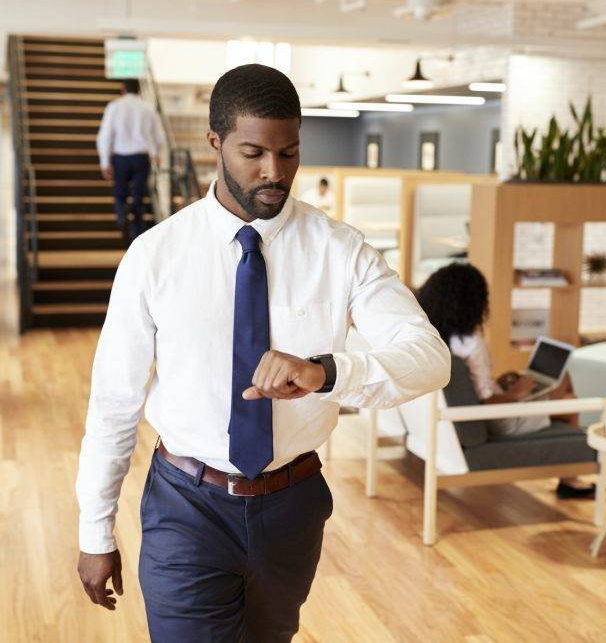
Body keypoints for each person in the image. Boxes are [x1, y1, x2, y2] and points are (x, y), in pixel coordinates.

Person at [75, 64, 450, 640]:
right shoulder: (155, 256)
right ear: (215, 144)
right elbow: (114, 403)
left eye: (290, 153)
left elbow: (429, 357)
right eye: (254, 153)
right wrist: (95, 532)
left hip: (292, 507)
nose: (275, 172)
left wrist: (327, 372)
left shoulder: (339, 250)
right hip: (186, 506)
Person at [415, 262, 595, 499]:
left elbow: (478, 390)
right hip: (501, 420)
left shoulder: (437, 338)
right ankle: (570, 481)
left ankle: (569, 478)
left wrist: (498, 382)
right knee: (568, 393)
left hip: (480, 415)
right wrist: (515, 394)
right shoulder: (472, 343)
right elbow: (488, 404)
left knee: (557, 390)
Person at [96, 78, 166, 245]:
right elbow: (159, 135)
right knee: (138, 194)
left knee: (120, 192)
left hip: (121, 157)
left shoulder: (114, 107)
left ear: (123, 89)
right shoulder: (148, 108)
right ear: (139, 90)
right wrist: (156, 153)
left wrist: (104, 162)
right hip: (141, 157)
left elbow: (105, 136)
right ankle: (137, 229)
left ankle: (121, 216)